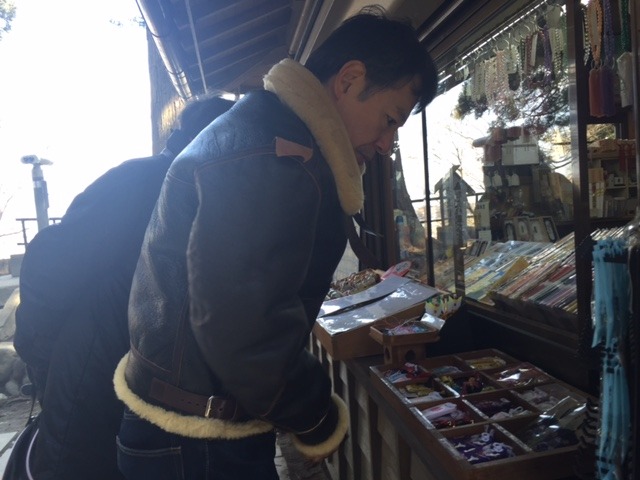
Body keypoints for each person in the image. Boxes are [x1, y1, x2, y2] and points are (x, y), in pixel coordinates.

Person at [113, 6, 438, 480]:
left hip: (181, 426)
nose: (388, 143)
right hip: (198, 442)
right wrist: (317, 416)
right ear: (349, 80)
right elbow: (244, 325)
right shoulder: (276, 156)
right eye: (390, 120)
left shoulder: (265, 131)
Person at [13, 95, 234, 480]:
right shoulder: (142, 181)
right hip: (93, 382)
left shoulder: (226, 202)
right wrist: (49, 365)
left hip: (156, 400)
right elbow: (48, 270)